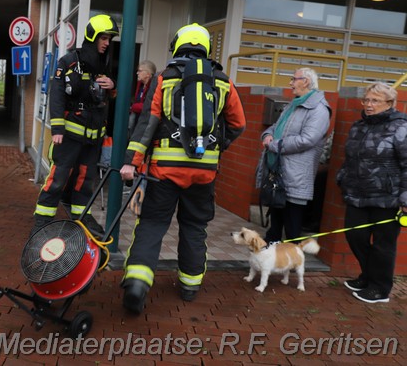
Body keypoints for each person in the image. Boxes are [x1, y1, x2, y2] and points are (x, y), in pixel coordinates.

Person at [119, 23, 246, 313]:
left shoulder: (164, 78)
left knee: (151, 225)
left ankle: (137, 284)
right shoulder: (223, 81)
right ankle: (189, 285)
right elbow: (239, 124)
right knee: (194, 226)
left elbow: (146, 126)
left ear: (178, 45)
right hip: (204, 172)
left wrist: (131, 162)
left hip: (165, 170)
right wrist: (217, 145)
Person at [31, 14, 119, 238]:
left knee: (85, 178)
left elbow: (108, 99)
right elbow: (57, 95)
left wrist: (113, 86)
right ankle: (42, 221)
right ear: (93, 37)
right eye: (104, 38)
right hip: (69, 135)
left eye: (109, 39)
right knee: (59, 177)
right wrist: (57, 129)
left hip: (93, 138)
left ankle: (81, 217)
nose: (107, 43)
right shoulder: (69, 62)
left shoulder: (105, 66)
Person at [337, 82, 406, 303]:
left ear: (389, 103)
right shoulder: (359, 126)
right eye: (366, 100)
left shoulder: (400, 127)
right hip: (357, 194)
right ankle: (368, 276)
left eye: (374, 100)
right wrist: (343, 178)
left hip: (388, 197)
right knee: (355, 235)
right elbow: (350, 158)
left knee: (383, 245)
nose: (368, 104)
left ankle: (380, 288)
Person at [258, 67, 331, 243]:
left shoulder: (319, 109)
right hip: (280, 172)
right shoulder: (294, 104)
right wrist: (267, 135)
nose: (290, 83)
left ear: (305, 82)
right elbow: (276, 127)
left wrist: (274, 145)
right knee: (276, 218)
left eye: (293, 79)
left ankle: (292, 264)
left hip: (296, 174)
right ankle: (272, 257)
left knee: (292, 224)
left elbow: (307, 139)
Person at [128, 60, 157, 135]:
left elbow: (148, 106)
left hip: (145, 125)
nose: (137, 73)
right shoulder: (140, 85)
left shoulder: (153, 87)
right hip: (136, 122)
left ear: (148, 74)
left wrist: (132, 107)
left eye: (140, 71)